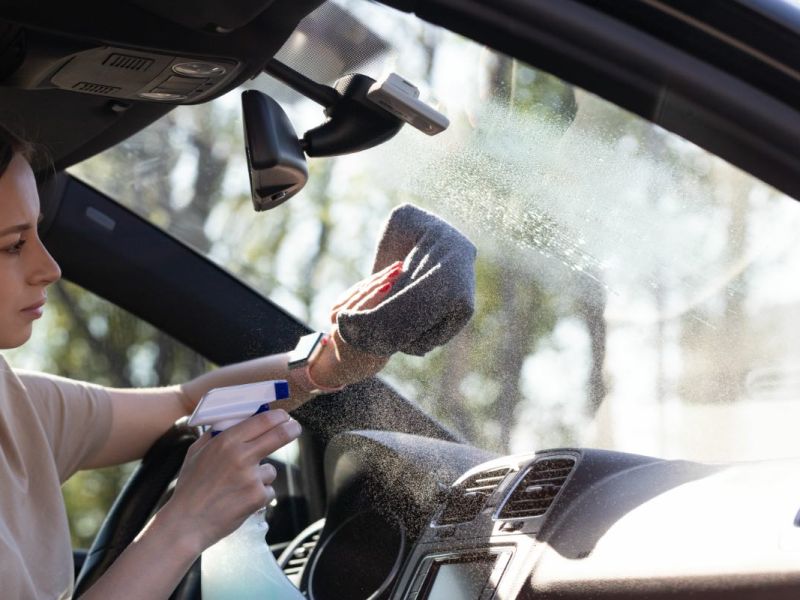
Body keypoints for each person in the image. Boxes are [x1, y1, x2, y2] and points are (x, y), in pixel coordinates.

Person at [0, 125, 402, 599]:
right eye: (11, 244)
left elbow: (189, 403)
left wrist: (330, 360)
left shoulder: (16, 403)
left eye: (37, 232)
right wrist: (186, 523)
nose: (50, 267)